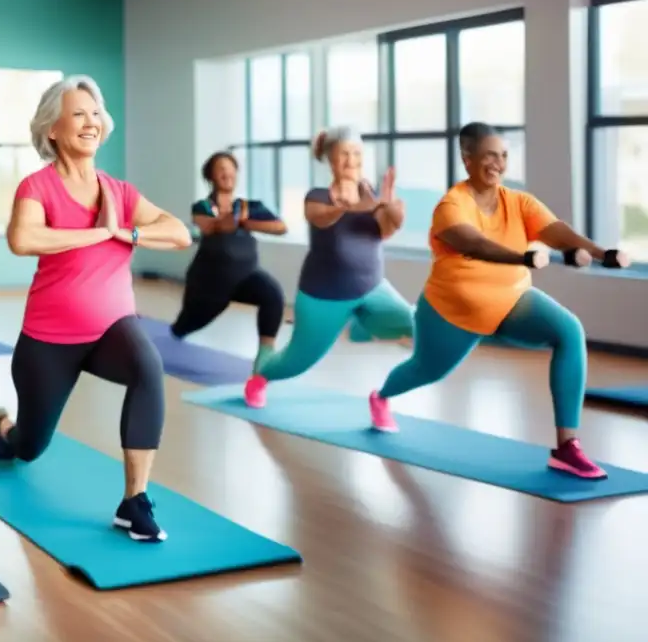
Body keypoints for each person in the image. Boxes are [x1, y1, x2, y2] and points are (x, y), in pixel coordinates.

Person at [368, 122, 630, 480]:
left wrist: (600, 252)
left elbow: (556, 232)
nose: (498, 163)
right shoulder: (451, 205)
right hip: (451, 314)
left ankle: (567, 447)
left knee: (569, 330)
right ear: (467, 159)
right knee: (425, 370)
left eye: (504, 155)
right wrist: (520, 258)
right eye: (490, 155)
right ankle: (380, 396)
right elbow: (474, 243)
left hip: (510, 301)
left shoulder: (518, 201)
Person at [0, 75, 191, 543]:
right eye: (78, 114)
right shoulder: (37, 187)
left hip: (110, 329)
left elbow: (180, 232)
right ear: (53, 130)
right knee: (29, 449)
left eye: (96, 114)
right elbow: (23, 240)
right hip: (47, 342)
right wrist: (100, 232)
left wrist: (128, 232)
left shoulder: (120, 193)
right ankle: (5, 429)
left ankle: (134, 501)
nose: (90, 122)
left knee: (147, 367)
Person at [244, 127, 414, 409]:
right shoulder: (317, 196)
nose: (352, 160)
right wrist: (355, 207)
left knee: (417, 323)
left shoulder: (370, 193)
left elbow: (385, 230)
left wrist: (392, 209)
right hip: (323, 296)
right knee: (295, 363)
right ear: (330, 159)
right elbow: (321, 219)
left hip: (372, 288)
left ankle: (365, 334)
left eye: (357, 153)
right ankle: (261, 373)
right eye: (344, 154)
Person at [171, 152, 287, 374]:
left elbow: (280, 227)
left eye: (230, 168)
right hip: (209, 282)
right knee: (188, 323)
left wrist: (246, 221)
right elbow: (213, 227)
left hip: (246, 276)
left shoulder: (248, 207)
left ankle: (264, 357)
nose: (226, 173)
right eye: (220, 169)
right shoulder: (203, 206)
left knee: (273, 295)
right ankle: (179, 329)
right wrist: (234, 220)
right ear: (211, 176)